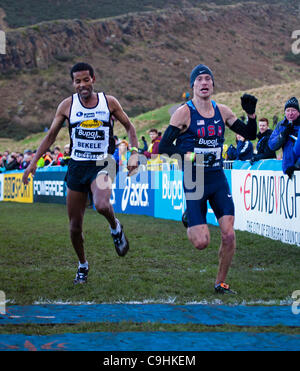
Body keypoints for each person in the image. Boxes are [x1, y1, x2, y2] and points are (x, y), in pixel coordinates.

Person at [23, 62, 138, 284]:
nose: (82, 85)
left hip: (103, 162)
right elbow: (50, 137)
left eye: (86, 80)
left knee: (102, 204)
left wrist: (134, 153)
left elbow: (130, 127)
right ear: (73, 83)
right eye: (78, 81)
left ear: (93, 79)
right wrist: (32, 162)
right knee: (75, 227)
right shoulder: (67, 106)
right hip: (77, 166)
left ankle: (116, 228)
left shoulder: (109, 102)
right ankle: (83, 265)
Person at [159, 64, 258, 294]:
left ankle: (220, 283)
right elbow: (164, 146)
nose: (204, 83)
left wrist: (251, 115)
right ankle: (190, 217)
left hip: (216, 177)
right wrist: (190, 156)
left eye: (208, 79)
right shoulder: (184, 113)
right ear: (193, 85)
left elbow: (251, 134)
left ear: (212, 84)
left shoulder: (222, 111)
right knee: (201, 242)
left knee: (229, 233)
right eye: (200, 79)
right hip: (195, 179)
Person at [268, 97, 300, 178]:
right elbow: (272, 145)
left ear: (298, 112)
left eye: (293, 110)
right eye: (288, 110)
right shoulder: (281, 125)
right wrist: (283, 135)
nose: (290, 113)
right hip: (287, 169)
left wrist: (297, 165)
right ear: (284, 112)